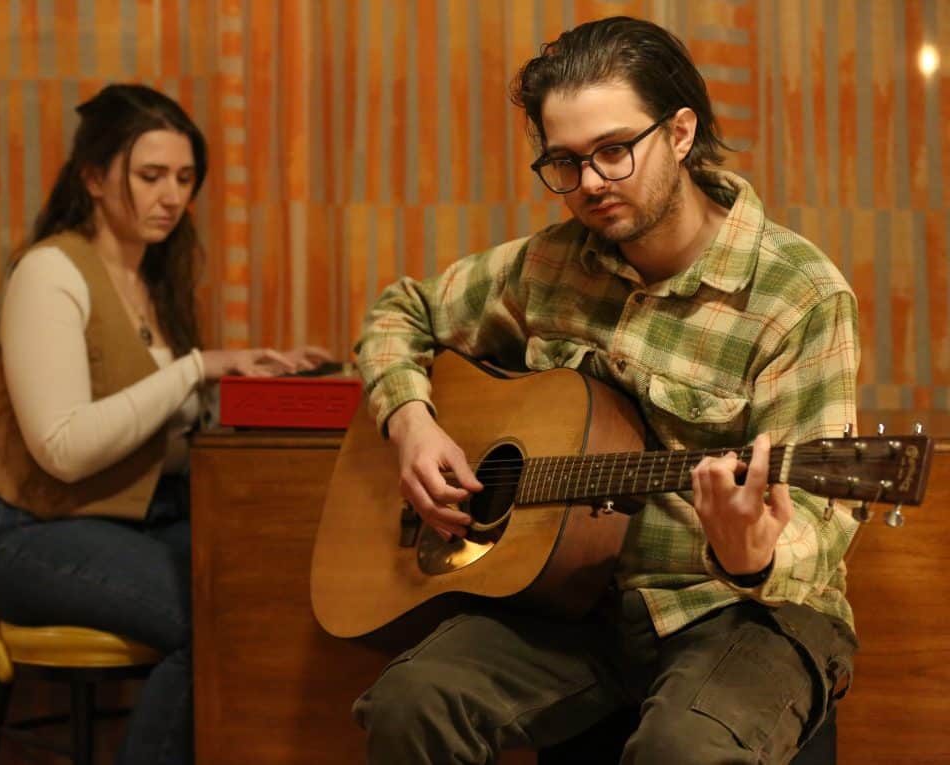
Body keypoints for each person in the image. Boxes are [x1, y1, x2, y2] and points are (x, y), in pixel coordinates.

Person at [351, 16, 860, 765]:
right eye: (564, 161)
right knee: (410, 703)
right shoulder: (552, 265)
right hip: (574, 599)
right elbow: (402, 311)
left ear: (681, 133)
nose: (589, 183)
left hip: (742, 609)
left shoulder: (798, 294)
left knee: (682, 749)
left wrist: (755, 553)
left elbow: (820, 519)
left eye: (614, 150)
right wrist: (413, 423)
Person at [0, 83, 331, 765]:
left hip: (131, 521)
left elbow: (154, 424)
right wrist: (198, 367)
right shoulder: (51, 272)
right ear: (95, 176)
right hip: (33, 532)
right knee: (213, 618)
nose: (172, 195)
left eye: (186, 178)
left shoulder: (148, 277)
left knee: (275, 577)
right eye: (151, 175)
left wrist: (256, 388)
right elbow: (65, 450)